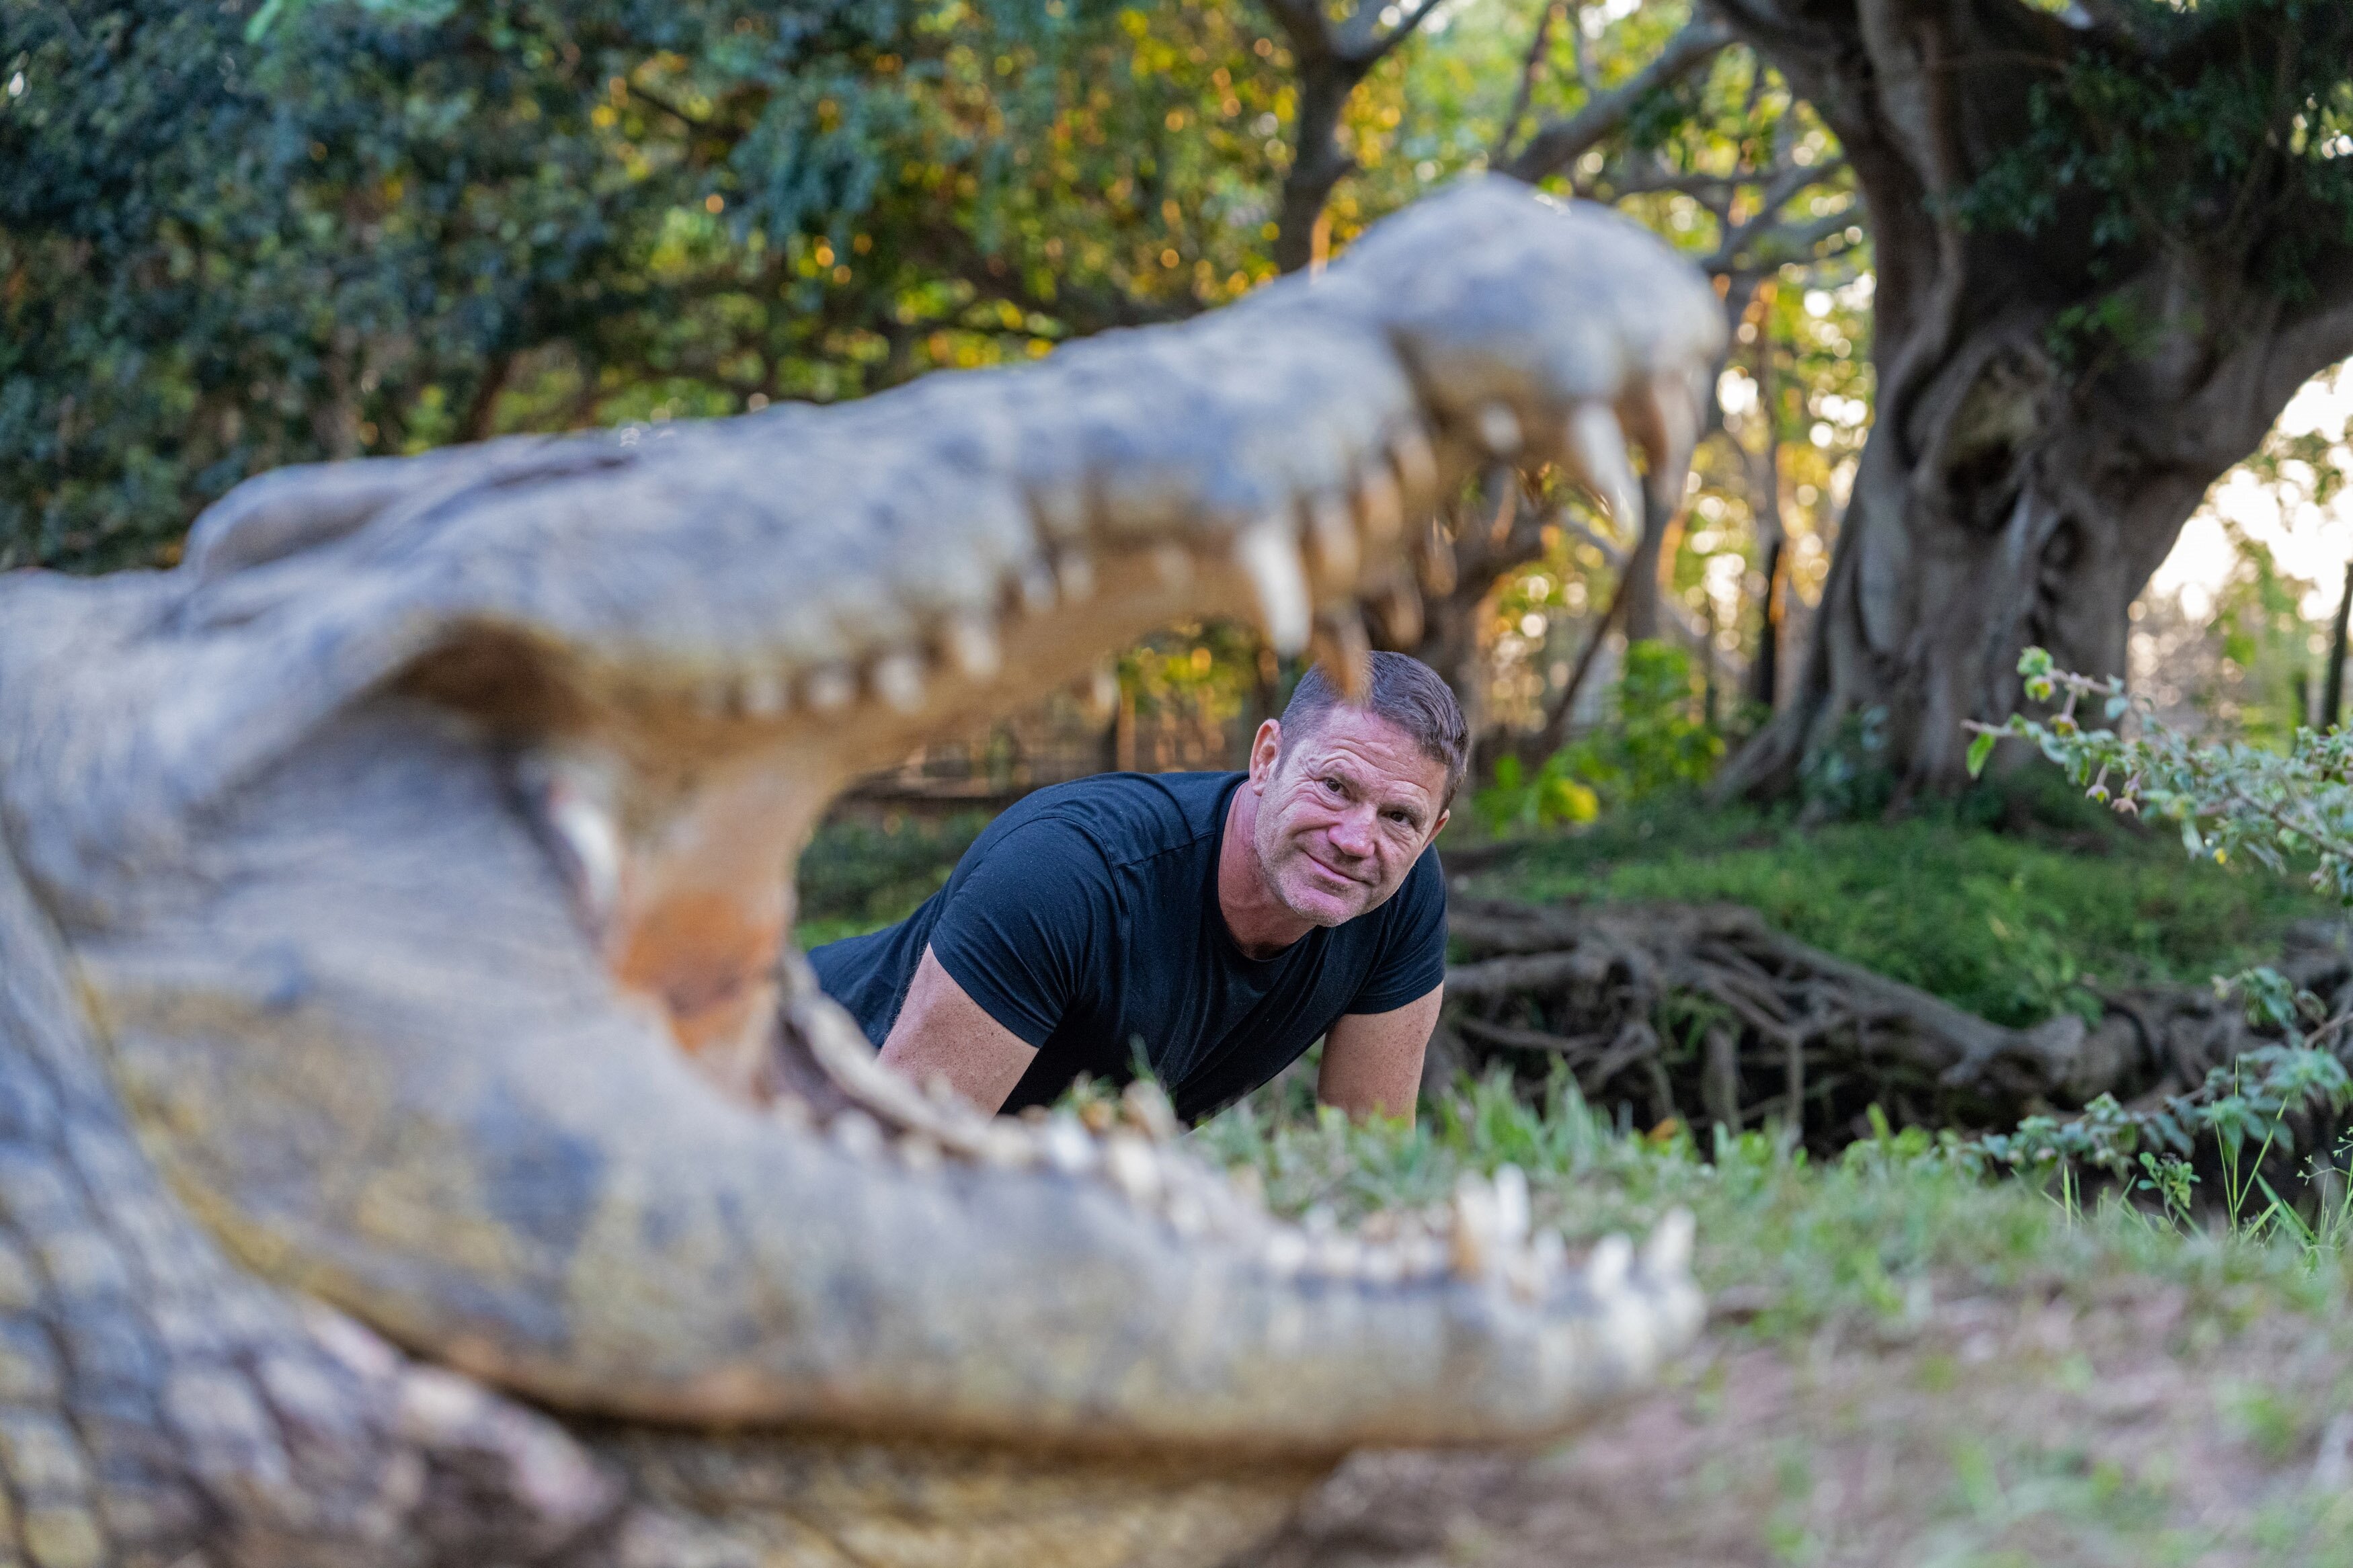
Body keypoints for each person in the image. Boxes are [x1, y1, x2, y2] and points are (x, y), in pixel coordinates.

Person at [810, 651, 1464, 1124]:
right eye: (1333, 786)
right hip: (783, 1092)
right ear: (1267, 758)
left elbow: (1362, 1163)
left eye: (1398, 816)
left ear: (1430, 832)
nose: (1355, 838)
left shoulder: (1397, 896)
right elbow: (888, 1170)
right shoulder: (1066, 876)